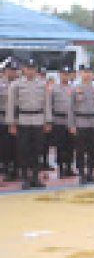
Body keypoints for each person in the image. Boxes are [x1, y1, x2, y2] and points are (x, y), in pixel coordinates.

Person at [7, 58, 51, 189]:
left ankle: (35, 178)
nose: (30, 71)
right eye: (28, 68)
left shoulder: (42, 84)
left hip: (38, 119)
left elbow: (46, 104)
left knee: (37, 150)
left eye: (33, 69)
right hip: (23, 120)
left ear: (36, 70)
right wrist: (11, 123)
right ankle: (25, 178)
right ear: (23, 69)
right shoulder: (16, 84)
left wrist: (48, 121)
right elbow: (11, 105)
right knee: (23, 150)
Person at [69, 64, 94, 184]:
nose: (87, 75)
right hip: (80, 122)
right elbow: (71, 108)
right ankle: (81, 174)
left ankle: (91, 172)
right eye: (85, 72)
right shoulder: (75, 89)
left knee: (92, 150)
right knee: (80, 150)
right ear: (80, 74)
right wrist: (72, 124)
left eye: (89, 72)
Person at [51, 66, 76, 178]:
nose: (65, 76)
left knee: (70, 145)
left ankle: (69, 167)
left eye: (67, 74)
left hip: (70, 121)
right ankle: (61, 168)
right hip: (58, 120)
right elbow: (50, 105)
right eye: (63, 74)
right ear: (59, 75)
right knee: (60, 146)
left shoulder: (73, 88)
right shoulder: (54, 88)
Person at [0, 58, 20, 181]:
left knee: (17, 146)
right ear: (6, 71)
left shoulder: (20, 84)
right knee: (5, 146)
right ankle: (6, 168)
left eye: (14, 70)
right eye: (10, 70)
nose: (12, 73)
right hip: (2, 119)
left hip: (17, 119)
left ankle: (16, 169)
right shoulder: (0, 84)